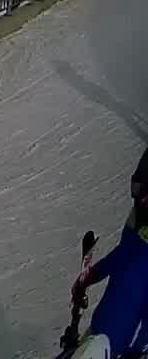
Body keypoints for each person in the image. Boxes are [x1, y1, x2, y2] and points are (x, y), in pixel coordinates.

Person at [73, 147, 148, 357]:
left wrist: (139, 349)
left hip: (120, 342)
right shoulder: (137, 233)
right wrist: (91, 276)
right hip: (104, 332)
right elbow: (120, 258)